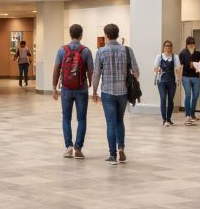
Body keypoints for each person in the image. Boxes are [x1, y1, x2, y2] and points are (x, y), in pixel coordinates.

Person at [91, 23, 139, 165]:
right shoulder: (127, 50)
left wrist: (94, 91)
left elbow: (96, 73)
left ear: (106, 35)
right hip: (123, 92)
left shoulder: (100, 52)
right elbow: (136, 71)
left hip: (107, 92)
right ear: (118, 34)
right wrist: (130, 79)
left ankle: (112, 156)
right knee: (120, 121)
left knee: (110, 124)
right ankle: (121, 148)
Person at [52, 24, 94, 159]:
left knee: (66, 118)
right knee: (82, 119)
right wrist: (91, 86)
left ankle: (68, 146)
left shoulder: (61, 50)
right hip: (81, 88)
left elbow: (56, 69)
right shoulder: (86, 51)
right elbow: (91, 70)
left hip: (66, 88)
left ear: (70, 34)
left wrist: (54, 87)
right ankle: (78, 148)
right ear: (81, 35)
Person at [153, 40, 181, 126]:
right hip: (161, 81)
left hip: (172, 81)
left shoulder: (175, 57)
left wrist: (179, 78)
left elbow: (178, 68)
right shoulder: (159, 56)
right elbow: (155, 68)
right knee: (163, 99)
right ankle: (164, 119)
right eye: (166, 46)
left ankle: (169, 119)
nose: (168, 48)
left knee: (170, 100)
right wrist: (158, 70)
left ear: (171, 47)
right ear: (163, 47)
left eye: (169, 46)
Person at [179, 37, 200, 125]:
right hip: (186, 76)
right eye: (189, 43)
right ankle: (188, 115)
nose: (191, 45)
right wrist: (179, 78)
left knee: (196, 95)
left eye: (193, 43)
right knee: (188, 95)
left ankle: (192, 114)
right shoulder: (183, 53)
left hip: (195, 76)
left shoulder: (197, 53)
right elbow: (181, 66)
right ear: (186, 44)